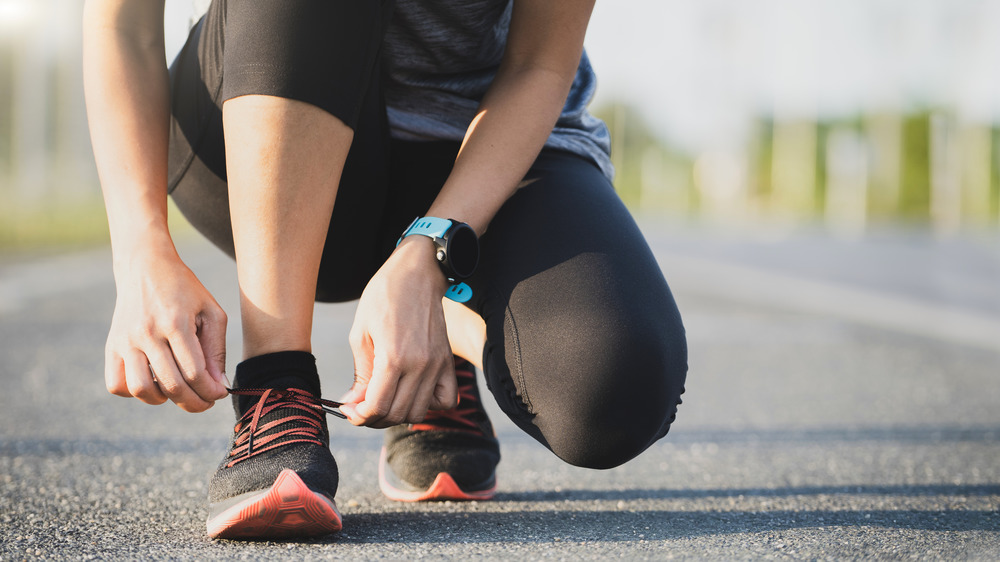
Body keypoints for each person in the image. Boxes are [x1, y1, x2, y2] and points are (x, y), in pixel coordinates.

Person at [82, 0, 687, 540]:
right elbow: (122, 23)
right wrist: (141, 250)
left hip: (482, 153)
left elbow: (540, 65)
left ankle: (434, 335)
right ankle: (277, 389)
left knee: (612, 389)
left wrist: (431, 251)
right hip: (261, 116)